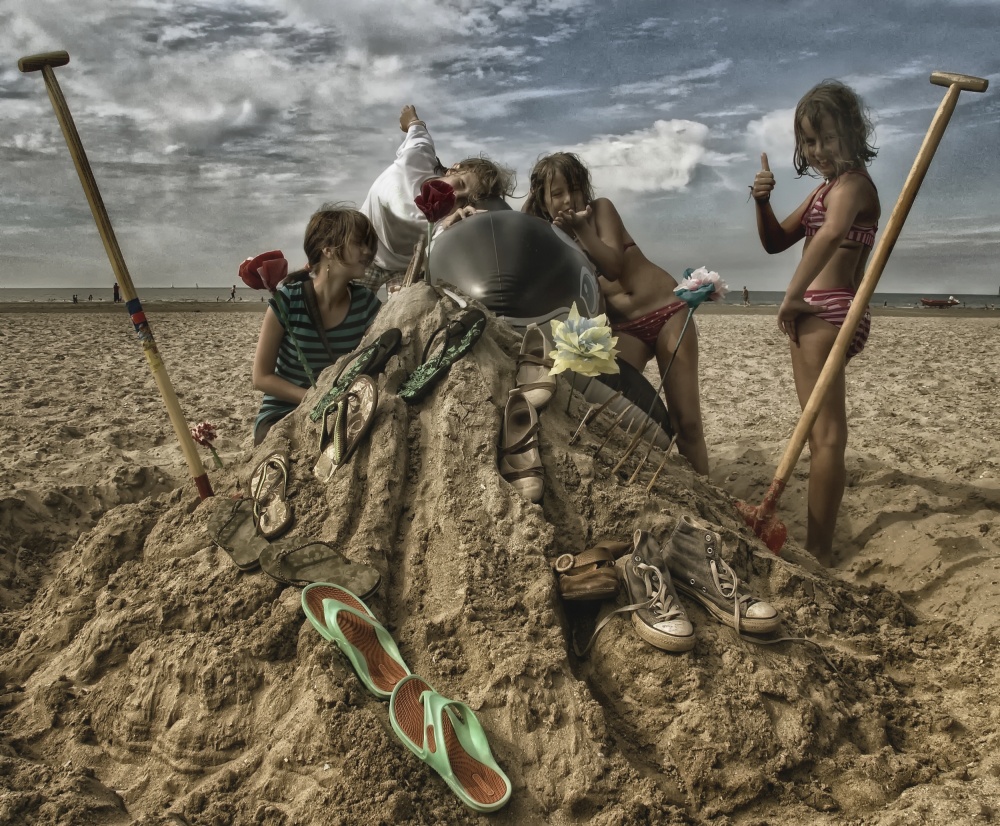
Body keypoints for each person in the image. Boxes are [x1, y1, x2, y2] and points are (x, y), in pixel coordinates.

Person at [750, 79, 881, 563]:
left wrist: (791, 296)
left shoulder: (855, 186)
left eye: (827, 138)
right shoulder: (826, 190)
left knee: (825, 438)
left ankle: (820, 552)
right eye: (809, 141)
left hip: (824, 310)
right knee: (822, 433)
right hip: (826, 310)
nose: (819, 150)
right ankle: (821, 546)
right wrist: (762, 201)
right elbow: (775, 242)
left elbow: (829, 236)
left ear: (852, 133)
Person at [523, 152, 708, 475]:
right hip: (624, 330)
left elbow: (613, 266)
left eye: (575, 189)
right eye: (557, 193)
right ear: (543, 200)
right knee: (616, 410)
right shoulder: (550, 239)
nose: (569, 200)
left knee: (687, 421)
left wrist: (581, 228)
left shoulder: (601, 210)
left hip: (666, 311)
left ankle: (710, 495)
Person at [252, 206, 382, 445]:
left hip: (337, 411)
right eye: (358, 243)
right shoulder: (288, 301)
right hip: (282, 413)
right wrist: (314, 399)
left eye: (369, 244)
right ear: (328, 249)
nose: (367, 251)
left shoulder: (366, 304)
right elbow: (261, 377)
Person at [359, 104, 515, 291]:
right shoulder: (419, 157)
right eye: (461, 184)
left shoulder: (444, 220)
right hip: (362, 248)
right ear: (454, 168)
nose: (456, 195)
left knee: (407, 307)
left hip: (403, 268)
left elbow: (442, 239)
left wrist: (451, 225)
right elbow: (416, 128)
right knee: (346, 302)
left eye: (464, 201)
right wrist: (411, 120)